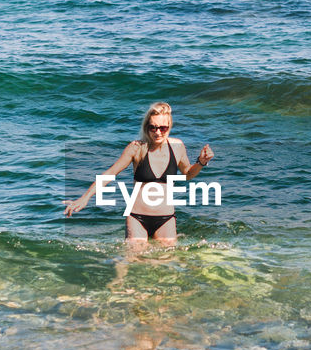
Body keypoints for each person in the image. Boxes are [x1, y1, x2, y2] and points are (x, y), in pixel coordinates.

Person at [64, 102, 214, 244]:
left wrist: (201, 162)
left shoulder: (177, 146)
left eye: (163, 128)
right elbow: (109, 174)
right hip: (137, 217)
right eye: (153, 127)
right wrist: (84, 198)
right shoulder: (137, 148)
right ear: (146, 127)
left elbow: (187, 174)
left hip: (166, 218)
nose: (157, 132)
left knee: (167, 265)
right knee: (133, 264)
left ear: (169, 126)